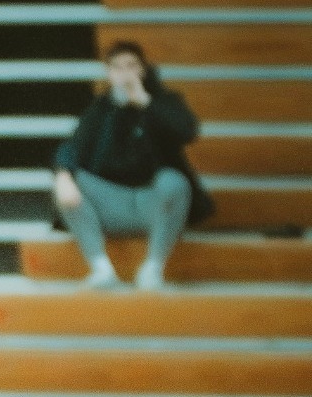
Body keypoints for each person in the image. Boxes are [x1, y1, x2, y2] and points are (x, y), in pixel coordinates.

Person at [53, 40, 214, 289]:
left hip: (154, 203)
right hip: (112, 203)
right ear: (109, 73)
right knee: (67, 182)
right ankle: (101, 270)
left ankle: (152, 269)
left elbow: (187, 130)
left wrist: (146, 103)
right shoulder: (101, 108)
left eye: (131, 66)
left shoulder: (164, 101)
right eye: (117, 68)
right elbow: (72, 146)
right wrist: (63, 174)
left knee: (175, 182)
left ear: (142, 70)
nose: (125, 73)